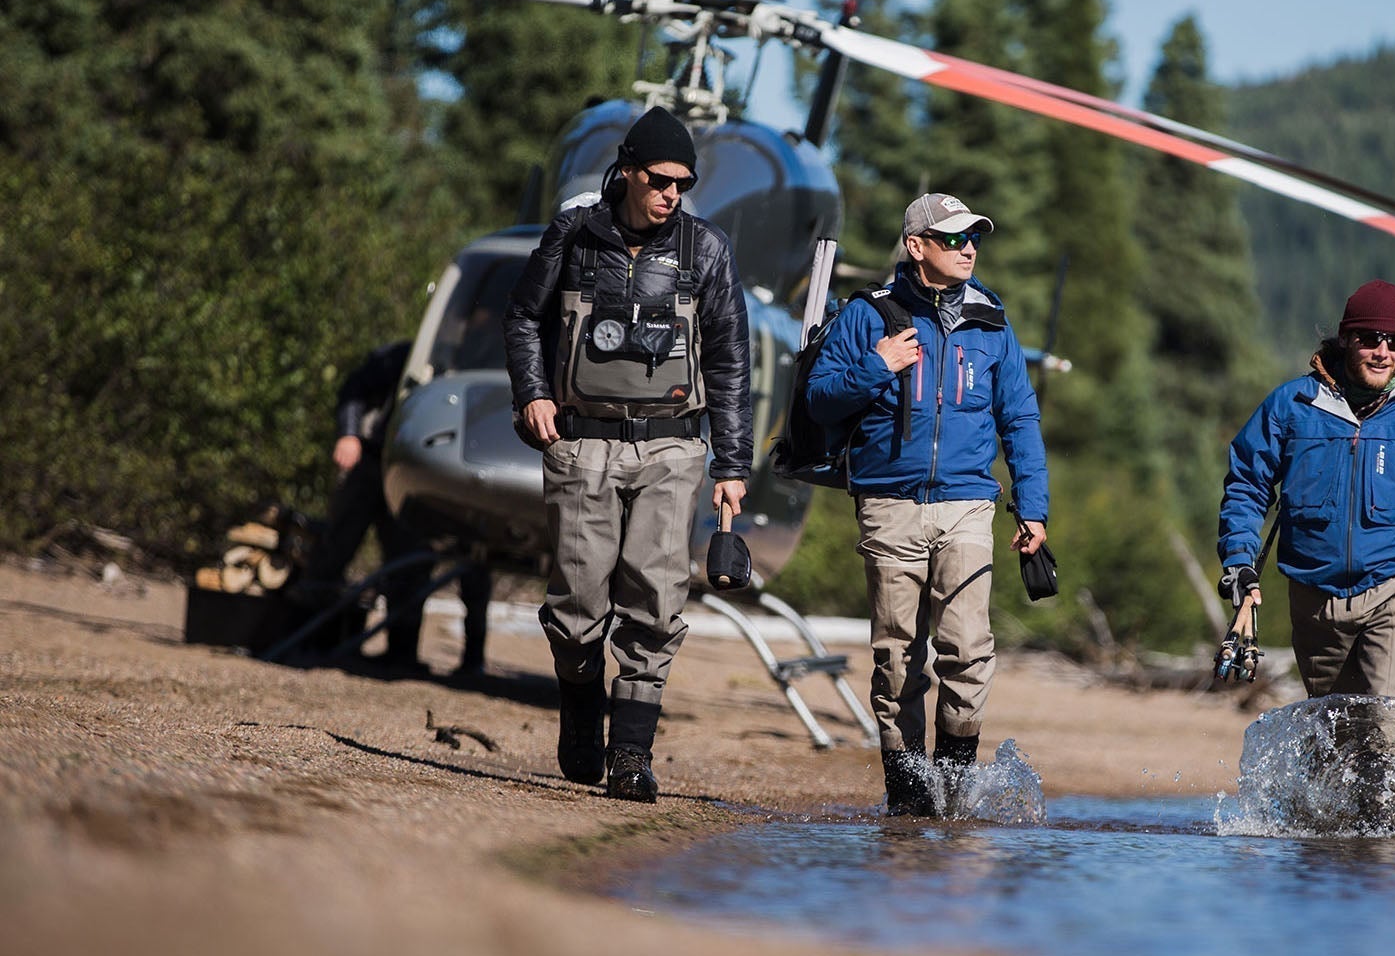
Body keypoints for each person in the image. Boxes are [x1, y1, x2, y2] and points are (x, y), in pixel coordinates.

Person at [503, 107, 751, 804]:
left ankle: (633, 756)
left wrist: (733, 466)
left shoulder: (706, 249)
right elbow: (523, 317)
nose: (672, 194)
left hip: (673, 446)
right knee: (576, 604)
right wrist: (532, 392)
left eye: (683, 184)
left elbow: (730, 360)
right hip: (582, 442)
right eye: (660, 180)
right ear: (628, 171)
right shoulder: (573, 234)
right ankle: (581, 711)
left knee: (656, 601)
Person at [804, 192, 1049, 817]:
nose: (969, 249)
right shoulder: (867, 315)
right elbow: (820, 399)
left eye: (974, 239)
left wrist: (1034, 507)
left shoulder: (991, 320)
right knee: (896, 660)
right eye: (954, 239)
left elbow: (1019, 417)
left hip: (968, 504)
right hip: (888, 504)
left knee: (967, 650)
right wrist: (877, 366)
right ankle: (911, 800)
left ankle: (956, 793)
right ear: (917, 246)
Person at [1217, 280, 1395, 703]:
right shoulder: (1291, 405)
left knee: (1388, 721)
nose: (1383, 352)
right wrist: (1240, 561)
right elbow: (1246, 483)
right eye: (1370, 339)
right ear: (1346, 338)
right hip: (1314, 601)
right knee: (1338, 733)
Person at [299, 340, 491, 677]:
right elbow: (354, 389)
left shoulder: (473, 365)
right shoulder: (403, 356)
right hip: (370, 464)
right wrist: (349, 434)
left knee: (409, 562)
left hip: (411, 472)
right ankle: (306, 639)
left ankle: (401, 653)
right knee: (335, 549)